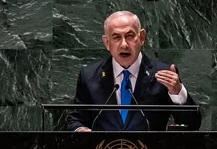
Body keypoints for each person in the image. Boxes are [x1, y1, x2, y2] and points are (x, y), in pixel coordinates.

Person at [66, 11, 201, 131]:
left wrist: (178, 93)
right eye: (116, 37)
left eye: (130, 36)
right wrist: (80, 130)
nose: (124, 44)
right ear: (107, 42)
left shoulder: (163, 73)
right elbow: (76, 119)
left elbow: (191, 125)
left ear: (141, 37)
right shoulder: (89, 76)